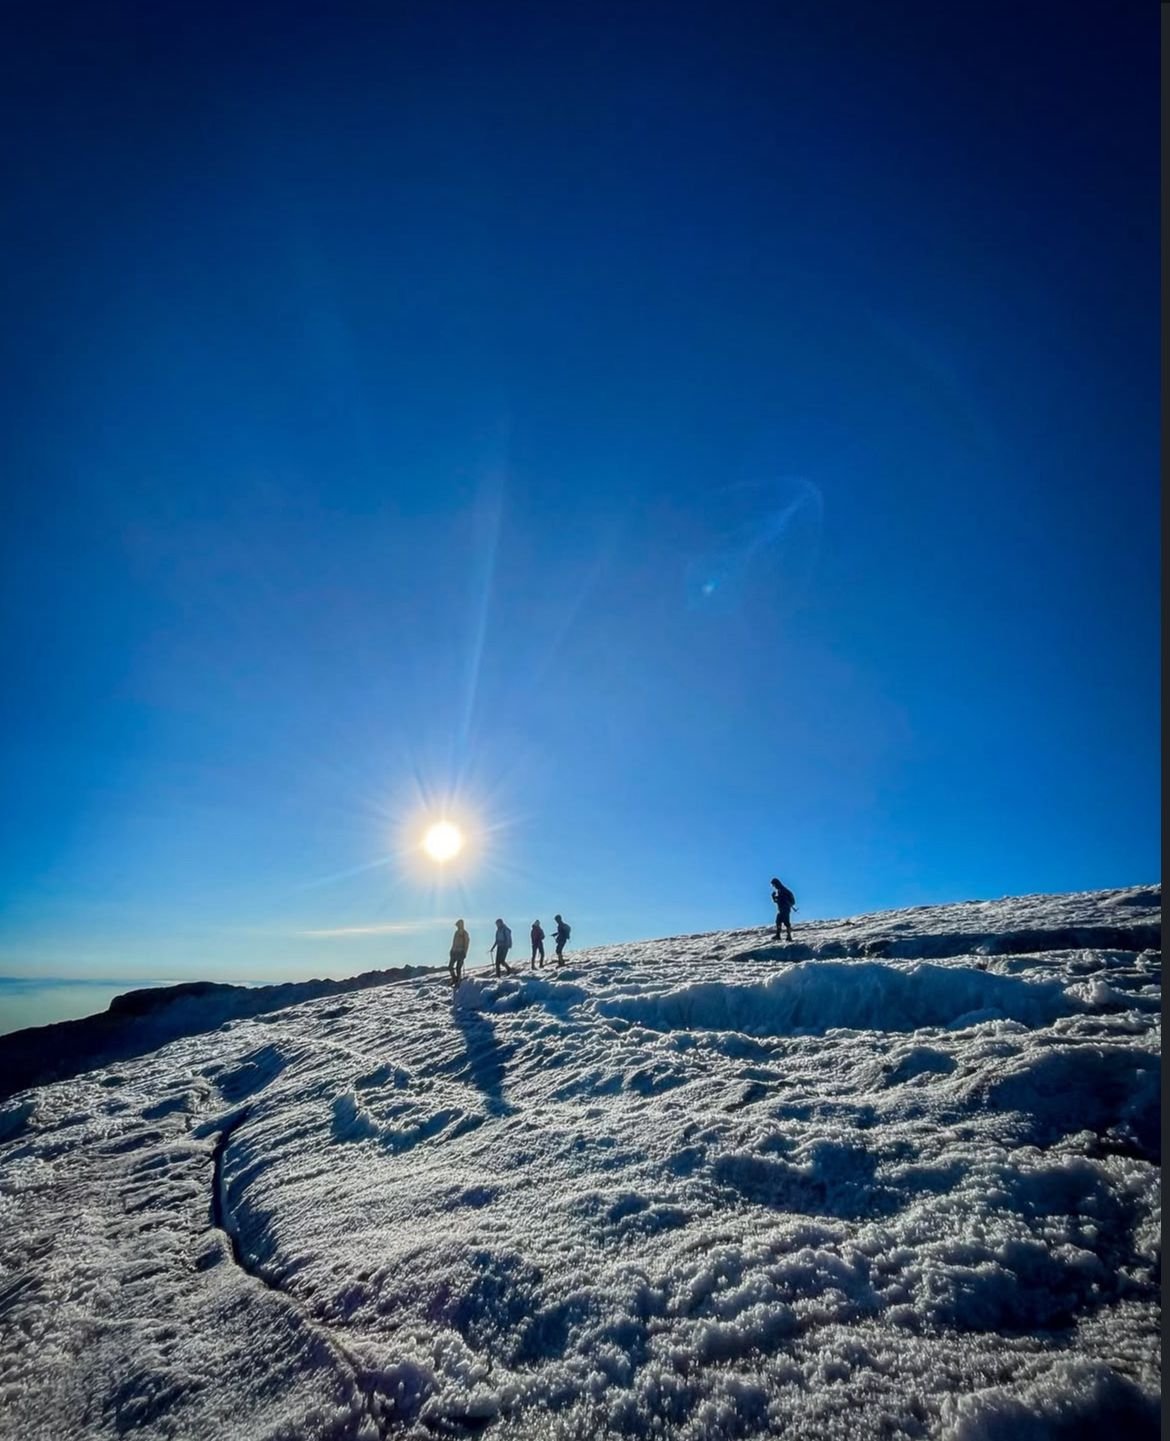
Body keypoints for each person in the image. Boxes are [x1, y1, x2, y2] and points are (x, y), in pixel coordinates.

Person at [448, 919, 470, 986]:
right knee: (450, 967)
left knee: (458, 967)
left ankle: (458, 981)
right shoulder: (456, 933)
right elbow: (454, 942)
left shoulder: (465, 933)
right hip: (454, 952)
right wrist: (451, 950)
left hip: (461, 952)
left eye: (458, 925)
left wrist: (465, 952)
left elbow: (467, 943)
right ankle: (454, 979)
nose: (457, 926)